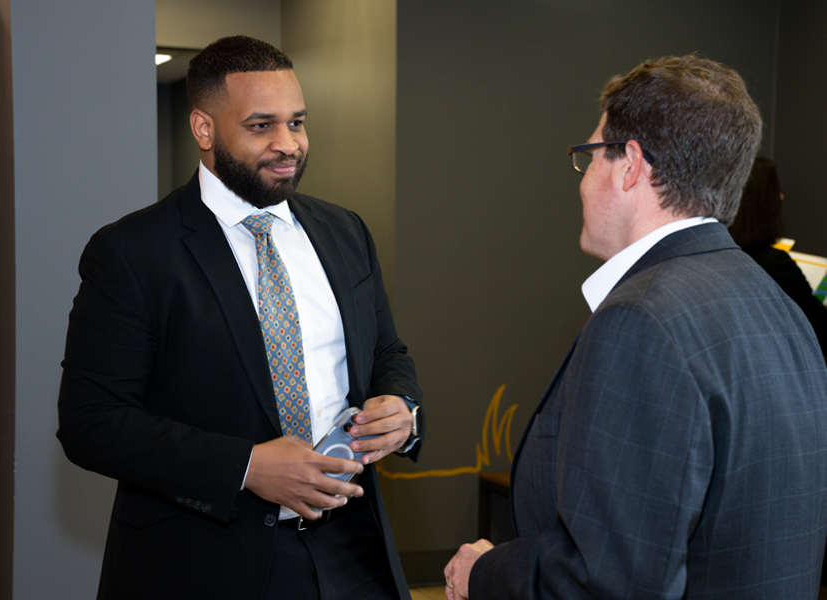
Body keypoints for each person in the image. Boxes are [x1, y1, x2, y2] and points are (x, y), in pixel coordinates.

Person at [444, 55, 827, 599]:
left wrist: (486, 573)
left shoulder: (641, 321)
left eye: (590, 156)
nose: (582, 182)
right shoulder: (778, 305)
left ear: (630, 165)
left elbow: (606, 582)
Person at [57, 35, 423, 600]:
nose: (288, 145)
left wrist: (401, 408)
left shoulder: (345, 230)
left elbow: (387, 355)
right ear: (204, 129)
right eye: (261, 126)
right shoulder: (133, 252)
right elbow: (91, 423)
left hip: (354, 547)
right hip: (204, 560)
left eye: (297, 122)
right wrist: (246, 467)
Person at [729, 156, 827, 357]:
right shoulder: (775, 265)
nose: (781, 196)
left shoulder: (718, 256)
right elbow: (821, 332)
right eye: (775, 190)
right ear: (762, 201)